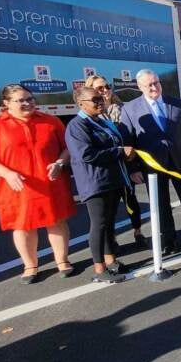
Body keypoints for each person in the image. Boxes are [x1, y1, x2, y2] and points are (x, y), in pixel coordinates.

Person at [0, 85, 76, 284]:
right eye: (21, 100)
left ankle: (62, 261)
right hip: (18, 188)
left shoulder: (50, 121)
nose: (28, 103)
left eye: (30, 99)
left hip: (50, 184)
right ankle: (30, 266)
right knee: (22, 226)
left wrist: (60, 163)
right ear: (6, 103)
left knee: (56, 221)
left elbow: (68, 148)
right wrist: (7, 173)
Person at [119, 69, 181, 256]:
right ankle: (169, 240)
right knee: (161, 204)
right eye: (148, 84)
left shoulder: (179, 104)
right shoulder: (130, 109)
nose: (154, 87)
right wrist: (133, 168)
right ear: (140, 87)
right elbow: (127, 141)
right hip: (152, 166)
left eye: (156, 82)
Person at [64, 87, 133, 283]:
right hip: (95, 183)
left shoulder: (101, 121)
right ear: (81, 104)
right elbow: (86, 154)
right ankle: (99, 268)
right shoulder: (77, 126)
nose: (100, 101)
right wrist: (120, 152)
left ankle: (111, 261)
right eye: (94, 99)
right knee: (99, 225)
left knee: (109, 223)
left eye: (101, 97)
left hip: (111, 180)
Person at [85, 74, 145, 248]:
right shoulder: (90, 117)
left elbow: (131, 140)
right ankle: (112, 241)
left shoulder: (123, 109)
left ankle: (138, 231)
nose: (105, 91)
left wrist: (134, 167)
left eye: (106, 87)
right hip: (105, 169)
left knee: (131, 200)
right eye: (99, 89)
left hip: (125, 166)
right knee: (108, 209)